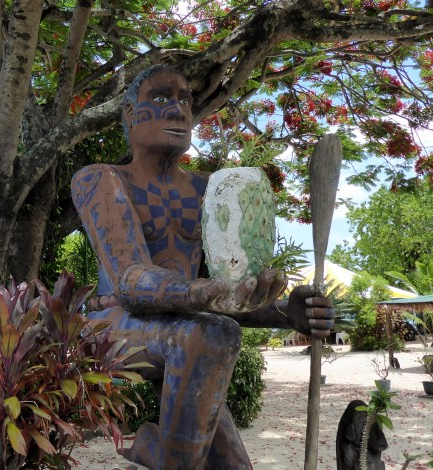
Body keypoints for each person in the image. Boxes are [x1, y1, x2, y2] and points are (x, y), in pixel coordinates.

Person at [71, 64, 334, 470]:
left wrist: (285, 312)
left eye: (185, 100)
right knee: (210, 332)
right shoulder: (101, 179)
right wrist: (202, 294)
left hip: (187, 327)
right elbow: (131, 279)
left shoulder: (208, 189)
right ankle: (155, 451)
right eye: (161, 97)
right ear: (130, 114)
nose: (178, 110)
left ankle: (157, 450)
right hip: (114, 324)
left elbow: (221, 293)